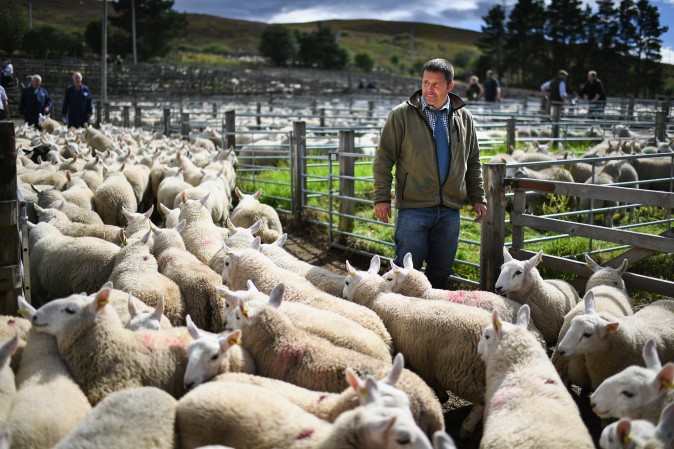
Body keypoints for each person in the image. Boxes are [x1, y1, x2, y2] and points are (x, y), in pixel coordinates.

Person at [373, 58, 487, 289]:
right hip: (414, 208)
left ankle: (430, 317)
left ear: (450, 86)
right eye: (426, 82)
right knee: (406, 273)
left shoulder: (464, 118)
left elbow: (473, 161)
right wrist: (382, 197)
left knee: (441, 272)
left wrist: (478, 197)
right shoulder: (401, 115)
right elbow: (384, 158)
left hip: (449, 210)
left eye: (436, 84)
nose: (429, 89)